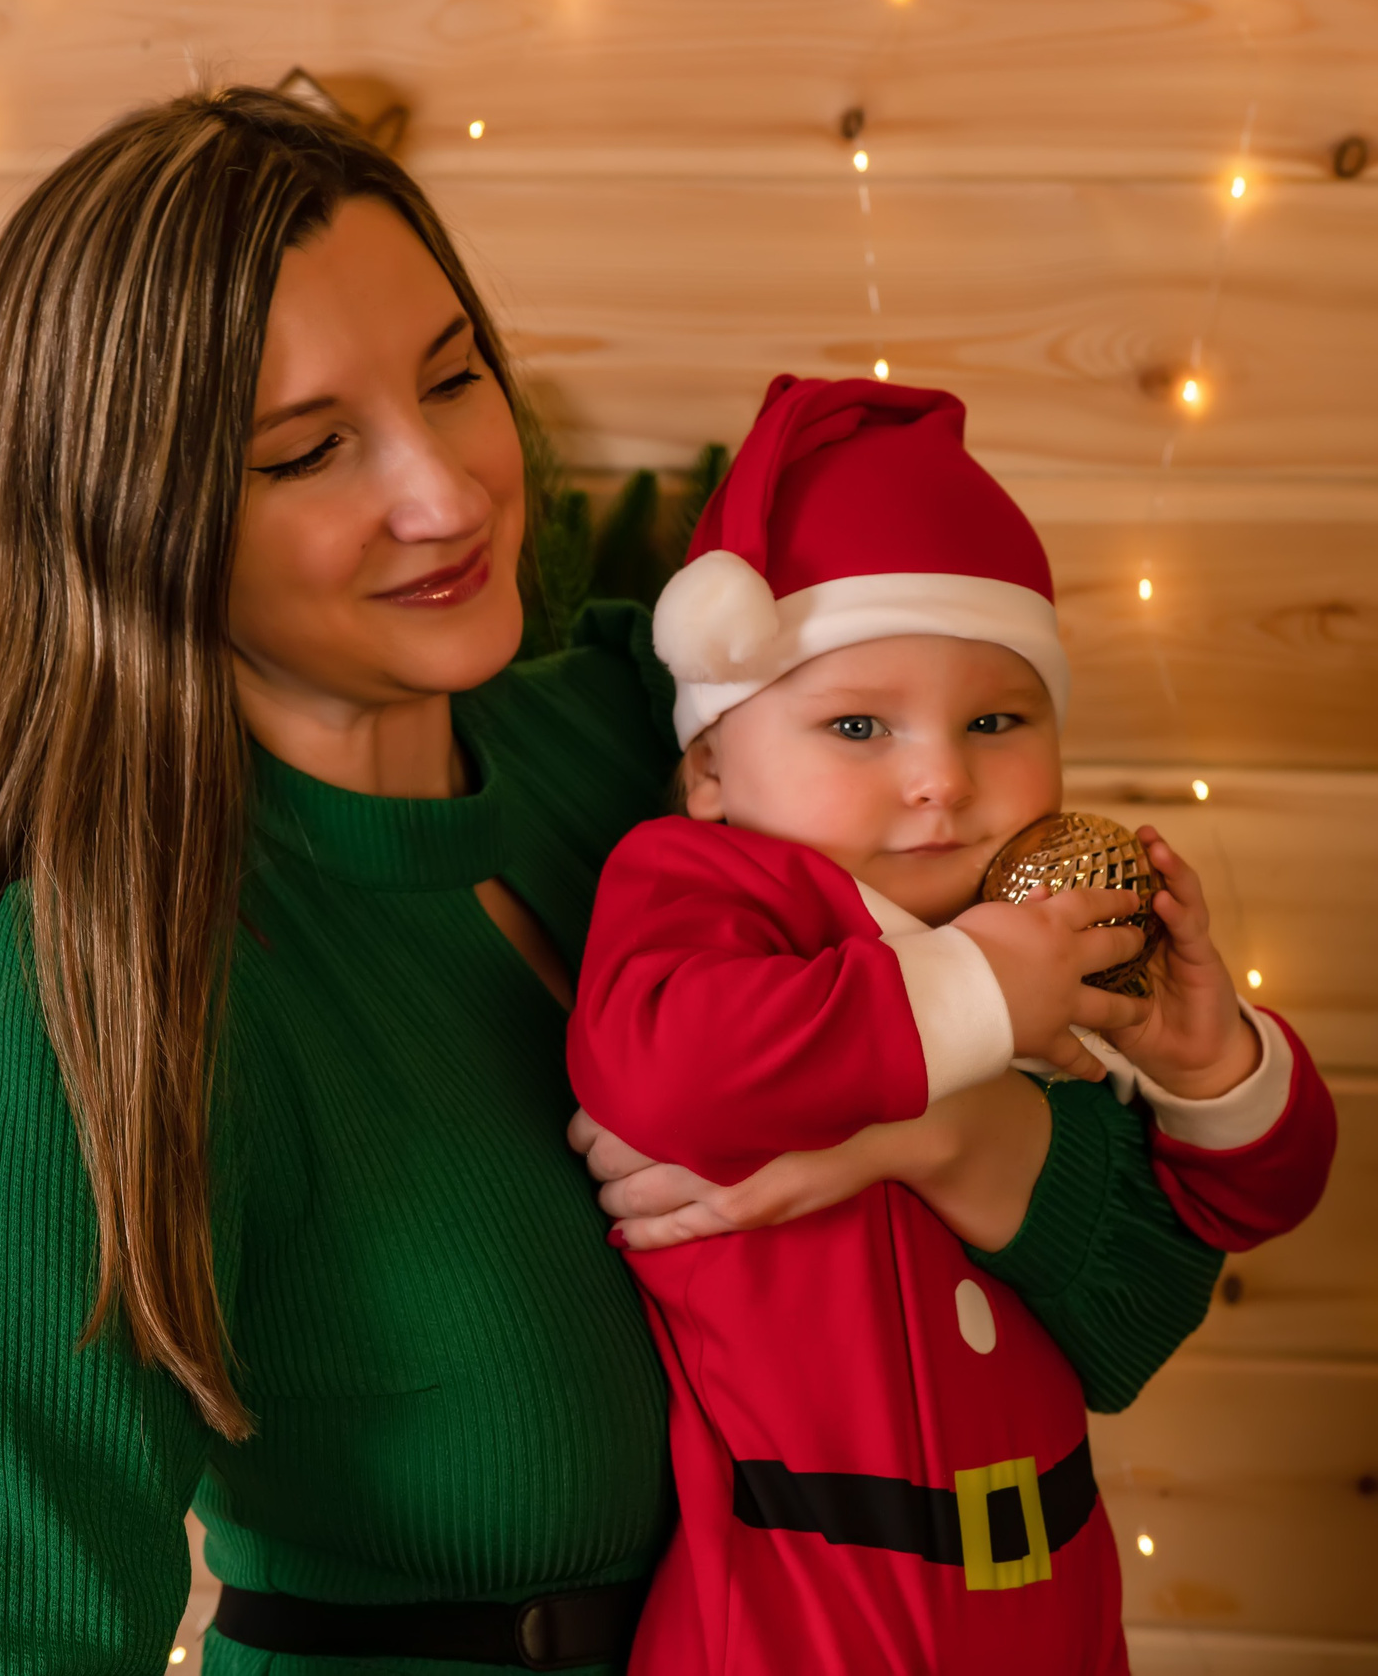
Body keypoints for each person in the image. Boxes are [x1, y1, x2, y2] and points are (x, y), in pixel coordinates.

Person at [0, 89, 1271, 1674]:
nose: (450, 492)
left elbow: (1136, 1295)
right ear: (142, 523)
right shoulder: (111, 979)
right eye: (315, 451)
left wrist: (928, 1119)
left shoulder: (655, 751)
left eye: (453, 378)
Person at [564, 377, 1336, 1675]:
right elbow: (663, 1071)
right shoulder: (706, 884)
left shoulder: (1050, 917)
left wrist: (1213, 1068)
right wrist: (978, 996)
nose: (942, 778)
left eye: (997, 720)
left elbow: (1230, 1212)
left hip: (1047, 1592)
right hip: (799, 1601)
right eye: (857, 725)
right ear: (709, 768)